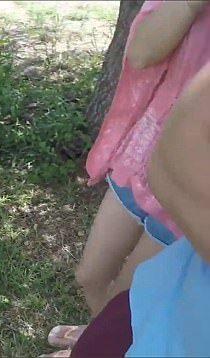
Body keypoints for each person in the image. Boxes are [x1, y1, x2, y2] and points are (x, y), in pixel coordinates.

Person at [45, 1, 210, 355]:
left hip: (194, 190)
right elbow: (140, 53)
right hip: (142, 154)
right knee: (89, 276)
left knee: (132, 300)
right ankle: (100, 335)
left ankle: (99, 344)